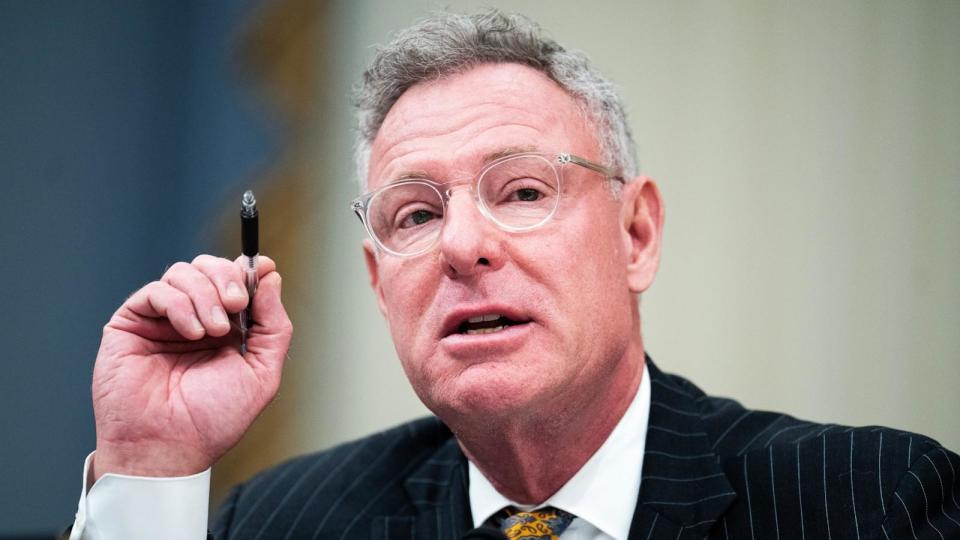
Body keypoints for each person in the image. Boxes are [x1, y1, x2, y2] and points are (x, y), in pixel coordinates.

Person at [67, 9, 959, 540]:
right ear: (381, 285)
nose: (463, 245)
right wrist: (151, 468)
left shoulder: (871, 502)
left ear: (637, 233)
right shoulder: (289, 520)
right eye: (415, 214)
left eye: (523, 190)